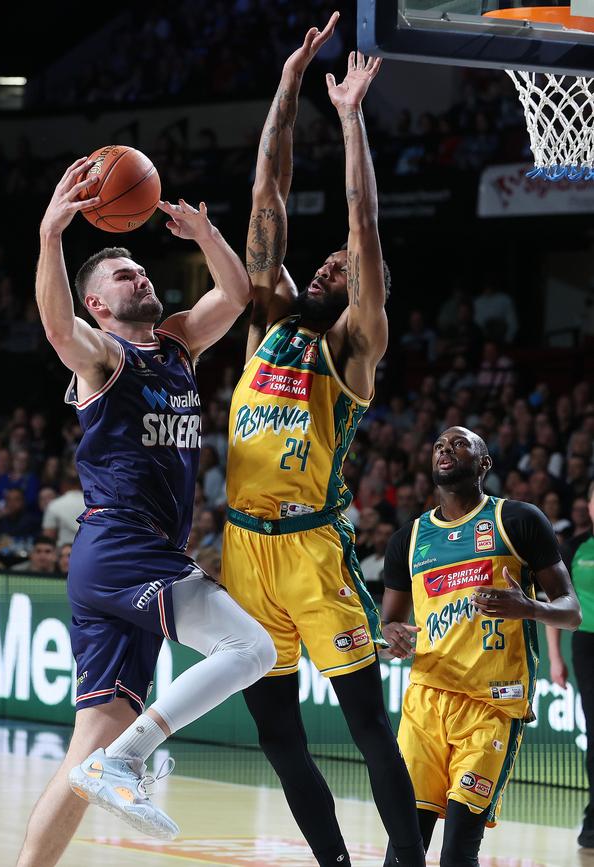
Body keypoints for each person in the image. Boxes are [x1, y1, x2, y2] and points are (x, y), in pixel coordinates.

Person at [16, 159, 276, 867]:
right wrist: (49, 236)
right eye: (123, 277)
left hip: (134, 559)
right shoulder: (102, 358)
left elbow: (237, 291)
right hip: (122, 546)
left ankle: (99, 776)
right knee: (253, 649)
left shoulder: (180, 344)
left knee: (83, 750)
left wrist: (203, 231)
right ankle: (126, 762)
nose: (141, 278)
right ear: (98, 305)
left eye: (141, 271)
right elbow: (55, 327)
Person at [221, 18, 425, 867]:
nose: (329, 266)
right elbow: (268, 194)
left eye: (342, 270)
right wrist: (287, 84)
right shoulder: (265, 320)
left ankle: (408, 860)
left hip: (313, 550)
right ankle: (334, 861)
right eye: (326, 263)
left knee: (367, 723)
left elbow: (365, 225)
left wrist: (348, 119)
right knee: (274, 732)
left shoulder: (352, 350)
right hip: (243, 546)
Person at [380, 425, 581, 865]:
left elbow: (572, 610)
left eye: (458, 444)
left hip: (493, 706)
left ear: (484, 463)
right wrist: (389, 636)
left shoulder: (519, 520)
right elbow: (388, 624)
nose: (445, 450)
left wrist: (529, 607)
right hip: (426, 703)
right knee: (405, 844)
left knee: (457, 851)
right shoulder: (409, 539)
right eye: (438, 445)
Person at [547, 479, 594, 849]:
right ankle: (593, 820)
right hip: (588, 645)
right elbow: (556, 602)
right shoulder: (575, 548)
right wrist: (555, 657)